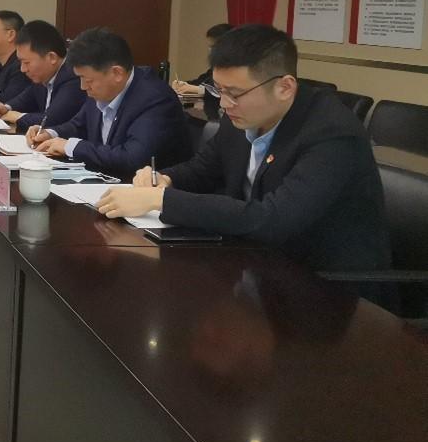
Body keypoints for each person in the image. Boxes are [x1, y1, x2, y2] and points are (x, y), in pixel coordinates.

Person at [95, 24, 390, 271]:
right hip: (254, 265)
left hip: (327, 290)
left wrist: (162, 200)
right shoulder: (243, 115)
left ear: (285, 87)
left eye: (235, 93)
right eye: (219, 90)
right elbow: (202, 170)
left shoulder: (332, 134)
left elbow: (273, 219)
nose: (224, 104)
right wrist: (164, 179)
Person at [28, 26, 191, 180]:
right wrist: (51, 134)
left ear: (117, 73)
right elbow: (79, 125)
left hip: (142, 191)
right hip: (104, 183)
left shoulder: (155, 99)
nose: (83, 87)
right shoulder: (102, 89)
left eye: (88, 80)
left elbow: (132, 158)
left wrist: (72, 147)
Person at [0, 20, 85, 129]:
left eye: (26, 62)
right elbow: (27, 97)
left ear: (52, 57)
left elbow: (51, 120)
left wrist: (15, 116)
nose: (23, 69)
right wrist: (5, 107)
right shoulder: (43, 76)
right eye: (21, 62)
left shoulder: (74, 77)